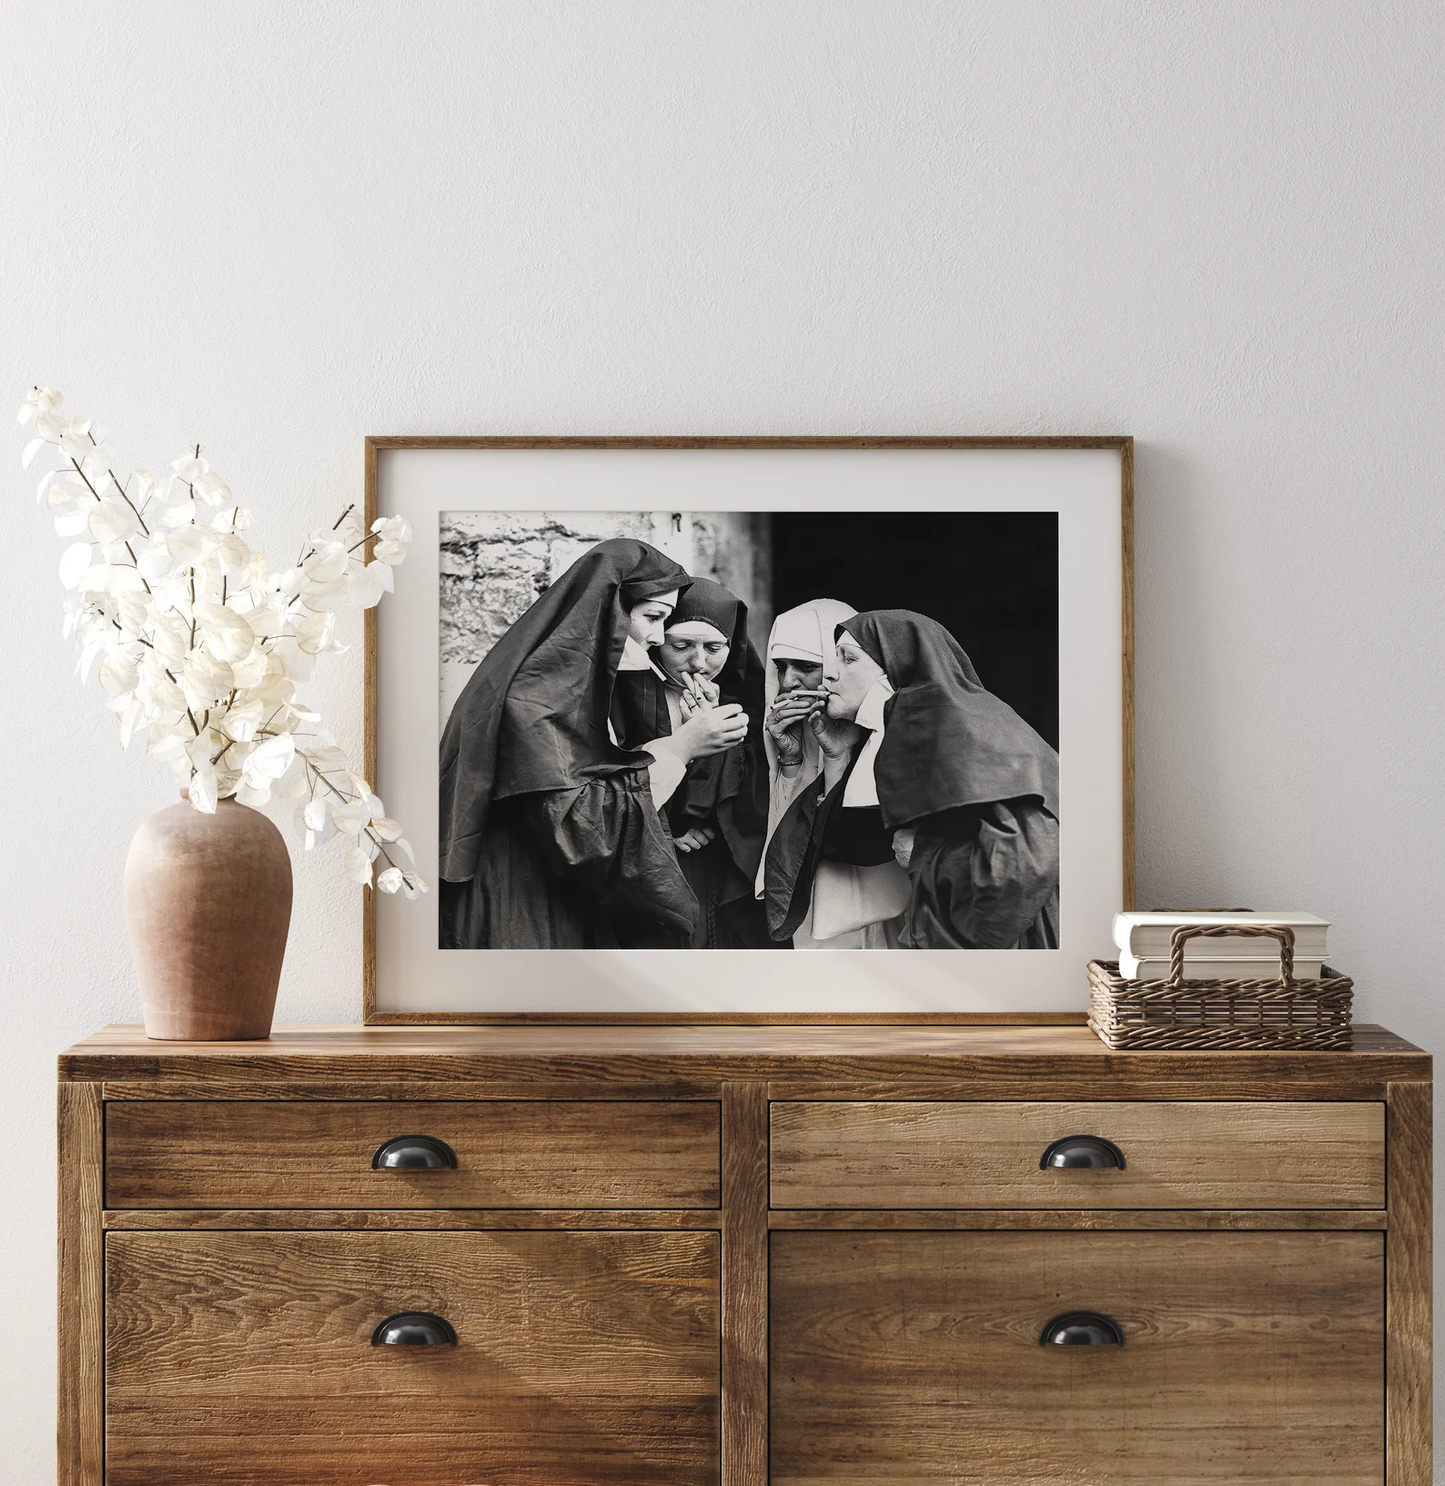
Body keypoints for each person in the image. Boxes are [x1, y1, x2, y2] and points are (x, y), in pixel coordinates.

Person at [438, 539, 749, 948]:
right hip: (516, 900)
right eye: (652, 617)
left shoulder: (572, 686)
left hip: (556, 891)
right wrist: (680, 748)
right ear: (609, 608)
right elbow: (580, 826)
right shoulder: (538, 696)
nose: (657, 638)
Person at [763, 609, 1059, 950]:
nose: (830, 675)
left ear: (895, 665)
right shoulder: (888, 734)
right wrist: (837, 757)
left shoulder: (963, 729)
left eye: (848, 659)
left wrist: (925, 854)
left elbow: (1023, 861)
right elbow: (851, 847)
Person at [611, 577, 771, 947]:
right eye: (681, 645)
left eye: (714, 647)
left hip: (719, 857)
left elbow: (755, 782)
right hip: (650, 854)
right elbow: (608, 775)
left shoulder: (739, 695)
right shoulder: (624, 692)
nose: (699, 662)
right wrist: (669, 827)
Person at [753, 598, 892, 949]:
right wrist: (790, 761)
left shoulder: (889, 730)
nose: (788, 681)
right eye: (780, 666)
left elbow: (855, 835)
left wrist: (837, 754)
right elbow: (782, 836)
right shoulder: (778, 732)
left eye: (805, 666)